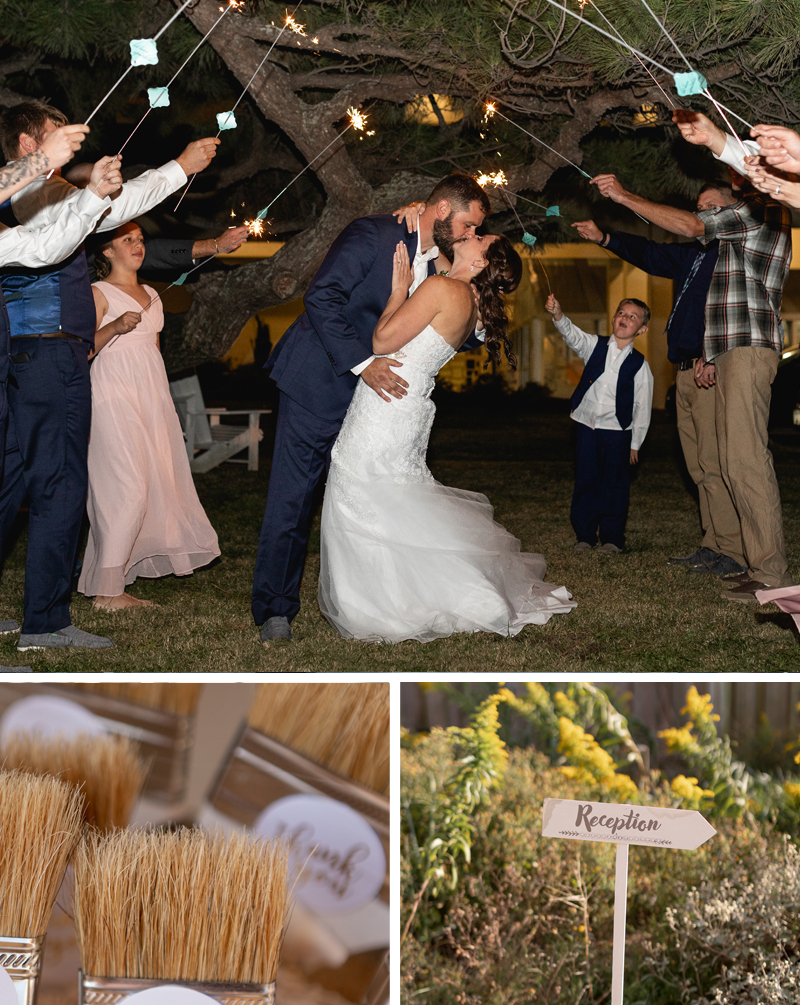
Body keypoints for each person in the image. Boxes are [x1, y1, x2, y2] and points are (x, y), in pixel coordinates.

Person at [0, 100, 220, 651]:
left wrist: (178, 168)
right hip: (49, 357)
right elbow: (49, 246)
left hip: (34, 362)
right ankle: (46, 624)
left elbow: (118, 207)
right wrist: (92, 191)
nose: (72, 142)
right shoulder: (26, 198)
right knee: (61, 487)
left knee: (10, 488)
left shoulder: (43, 195)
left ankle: (41, 617)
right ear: (29, 145)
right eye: (58, 136)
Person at [253, 173, 492, 643]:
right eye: (467, 224)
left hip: (378, 408)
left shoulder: (441, 263)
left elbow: (435, 327)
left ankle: (378, 598)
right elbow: (322, 297)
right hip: (320, 381)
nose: (469, 235)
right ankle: (275, 610)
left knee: (371, 500)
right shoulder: (374, 233)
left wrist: (477, 327)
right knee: (294, 498)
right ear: (442, 209)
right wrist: (364, 364)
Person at [318, 235, 575, 640]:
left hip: (387, 402)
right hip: (410, 403)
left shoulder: (441, 288)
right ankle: (410, 590)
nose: (469, 235)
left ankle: (382, 602)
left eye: (478, 237)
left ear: (480, 261)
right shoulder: (468, 300)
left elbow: (382, 341)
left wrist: (399, 290)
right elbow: (442, 255)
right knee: (393, 495)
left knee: (361, 486)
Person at [593, 108, 793, 601]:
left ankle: (771, 571)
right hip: (725, 352)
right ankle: (744, 558)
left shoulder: (762, 215)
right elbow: (679, 242)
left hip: (747, 350)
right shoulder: (729, 237)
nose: (705, 216)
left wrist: (622, 196)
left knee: (745, 460)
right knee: (724, 461)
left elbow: (689, 225)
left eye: (712, 208)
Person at [571, 183, 746, 578]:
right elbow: (649, 254)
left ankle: (731, 550)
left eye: (712, 207)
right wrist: (605, 238)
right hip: (684, 373)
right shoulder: (692, 255)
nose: (703, 214)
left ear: (732, 212)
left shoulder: (729, 252)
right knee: (699, 467)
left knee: (715, 463)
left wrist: (711, 354)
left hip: (709, 370)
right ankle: (712, 544)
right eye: (699, 208)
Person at [76, 222, 219, 609]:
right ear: (107, 251)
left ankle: (111, 581)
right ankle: (108, 593)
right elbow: (83, 351)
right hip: (111, 397)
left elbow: (152, 354)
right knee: (126, 486)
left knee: (155, 482)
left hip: (149, 399)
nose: (138, 246)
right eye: (128, 240)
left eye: (140, 240)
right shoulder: (97, 293)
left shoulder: (152, 293)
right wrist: (115, 328)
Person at [546, 294, 653, 554]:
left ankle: (612, 538)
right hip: (586, 426)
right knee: (586, 479)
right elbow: (573, 335)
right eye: (621, 313)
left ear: (642, 329)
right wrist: (558, 314)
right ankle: (584, 534)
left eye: (632, 316)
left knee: (614, 484)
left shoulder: (640, 365)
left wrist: (635, 443)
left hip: (618, 433)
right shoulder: (595, 346)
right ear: (614, 317)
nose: (624, 318)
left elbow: (643, 407)